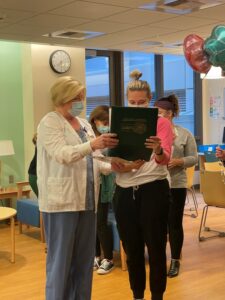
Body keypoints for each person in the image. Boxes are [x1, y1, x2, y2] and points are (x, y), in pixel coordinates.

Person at [36, 76, 120, 300]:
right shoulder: (49, 122)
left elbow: (96, 159)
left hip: (87, 201)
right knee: (61, 261)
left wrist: (117, 165)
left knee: (84, 262)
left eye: (82, 97)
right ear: (63, 98)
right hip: (61, 203)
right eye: (76, 97)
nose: (81, 101)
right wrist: (93, 144)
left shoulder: (83, 124)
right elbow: (63, 154)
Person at [112, 70, 173, 300]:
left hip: (153, 190)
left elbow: (164, 159)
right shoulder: (118, 122)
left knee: (156, 249)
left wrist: (157, 149)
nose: (137, 106)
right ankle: (137, 295)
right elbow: (111, 156)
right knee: (132, 250)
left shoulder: (162, 124)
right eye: (132, 102)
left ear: (150, 100)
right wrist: (117, 164)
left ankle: (157, 296)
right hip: (124, 192)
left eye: (142, 102)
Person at [154, 94, 198, 278]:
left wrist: (179, 161)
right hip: (157, 182)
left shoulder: (185, 134)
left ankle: (175, 261)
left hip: (177, 184)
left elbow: (194, 158)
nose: (157, 116)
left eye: (160, 113)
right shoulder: (153, 133)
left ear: (170, 114)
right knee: (158, 224)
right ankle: (159, 259)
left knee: (174, 223)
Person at [89, 105, 115, 275]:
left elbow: (106, 164)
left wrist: (112, 166)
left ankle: (108, 259)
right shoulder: (91, 138)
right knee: (93, 223)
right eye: (103, 122)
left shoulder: (110, 139)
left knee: (101, 223)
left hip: (105, 186)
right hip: (93, 185)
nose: (106, 125)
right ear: (94, 121)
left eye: (108, 122)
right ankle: (96, 255)